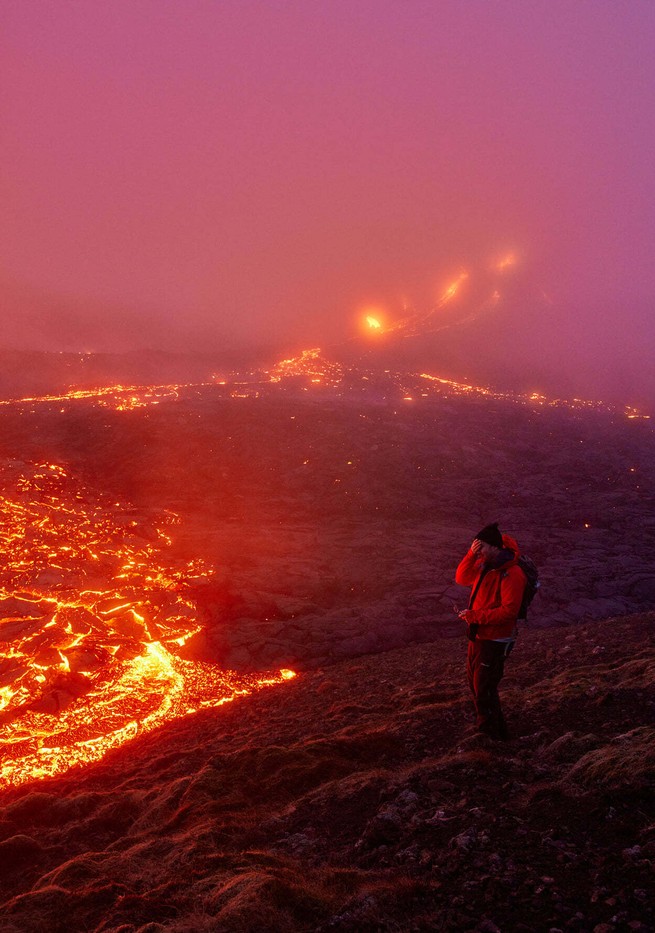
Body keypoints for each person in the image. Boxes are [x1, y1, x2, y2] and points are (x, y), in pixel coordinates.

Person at [455, 522, 526, 740]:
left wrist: (474, 616)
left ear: (495, 547)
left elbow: (508, 612)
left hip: (496, 640)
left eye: (482, 548)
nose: (479, 553)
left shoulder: (511, 573)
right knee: (478, 688)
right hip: (478, 636)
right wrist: (470, 553)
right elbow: (461, 578)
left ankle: (488, 739)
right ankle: (498, 735)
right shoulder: (485, 566)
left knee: (484, 689)